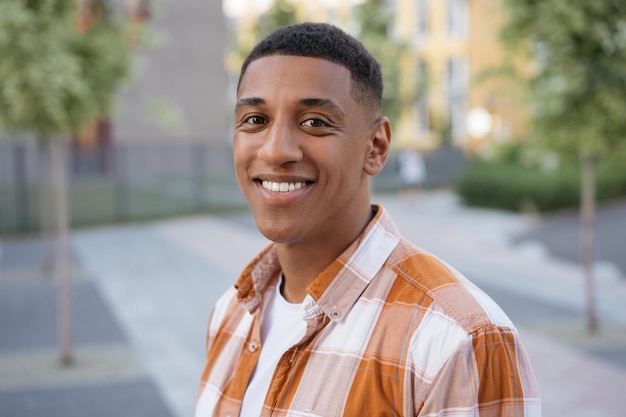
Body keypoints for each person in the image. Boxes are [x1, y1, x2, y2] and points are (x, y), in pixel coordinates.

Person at [196, 22, 541, 417]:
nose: (275, 151)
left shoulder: (457, 339)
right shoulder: (230, 314)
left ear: (375, 147)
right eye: (255, 120)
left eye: (315, 122)